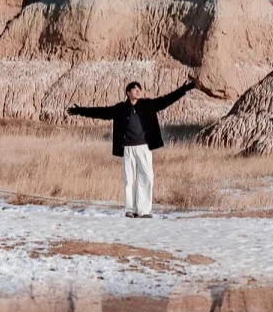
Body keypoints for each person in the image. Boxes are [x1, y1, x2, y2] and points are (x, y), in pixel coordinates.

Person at [68, 79, 197, 219]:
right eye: (135, 89)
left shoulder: (148, 105)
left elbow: (167, 100)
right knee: (129, 179)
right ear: (128, 93)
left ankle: (144, 211)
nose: (138, 91)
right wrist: (79, 111)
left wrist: (185, 89)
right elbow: (101, 112)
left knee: (147, 177)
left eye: (139, 89)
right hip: (127, 149)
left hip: (144, 147)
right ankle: (130, 210)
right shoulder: (120, 109)